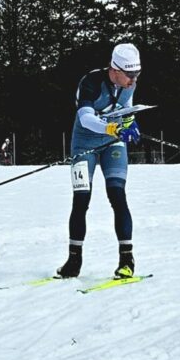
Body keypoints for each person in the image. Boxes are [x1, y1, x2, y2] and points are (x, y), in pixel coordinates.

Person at [57, 43, 143, 279]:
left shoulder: (129, 84)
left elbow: (126, 108)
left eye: (137, 74)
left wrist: (130, 124)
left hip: (112, 143)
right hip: (84, 144)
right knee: (81, 200)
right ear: (114, 69)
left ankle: (127, 261)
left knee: (117, 195)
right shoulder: (91, 82)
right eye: (130, 75)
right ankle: (74, 261)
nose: (134, 80)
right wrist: (112, 128)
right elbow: (85, 118)